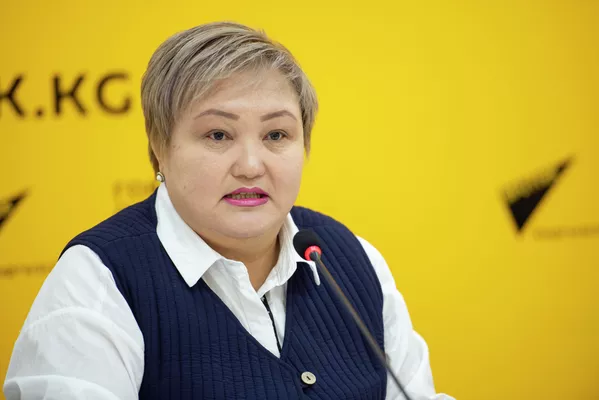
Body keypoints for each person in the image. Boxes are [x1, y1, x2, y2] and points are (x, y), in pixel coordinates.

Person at [4, 22, 454, 400]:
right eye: (218, 135)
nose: (251, 166)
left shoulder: (349, 259)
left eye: (276, 135)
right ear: (159, 147)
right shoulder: (101, 280)